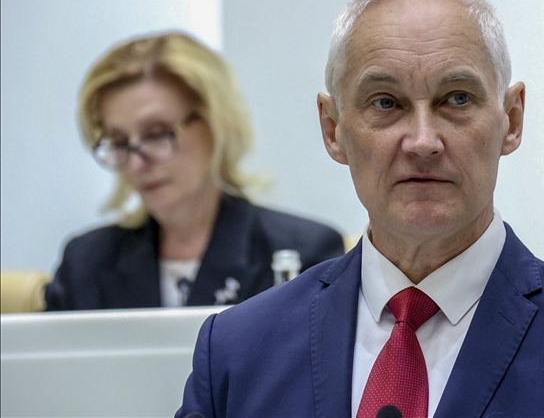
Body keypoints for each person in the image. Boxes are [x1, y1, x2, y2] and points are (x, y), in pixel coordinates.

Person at [177, 0, 544, 418]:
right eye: (386, 103)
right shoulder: (237, 353)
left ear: (511, 120)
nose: (423, 141)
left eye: (456, 99)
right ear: (333, 130)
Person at [45, 32, 344, 310]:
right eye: (120, 142)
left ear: (216, 124)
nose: (136, 163)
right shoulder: (85, 263)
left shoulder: (304, 252)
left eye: (157, 133)